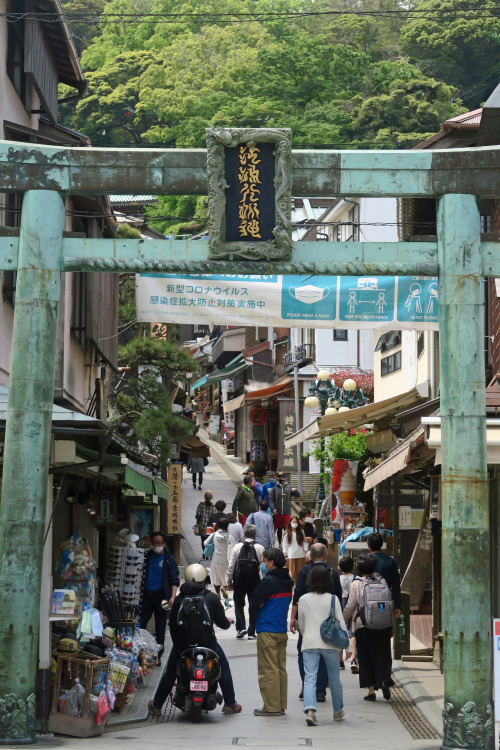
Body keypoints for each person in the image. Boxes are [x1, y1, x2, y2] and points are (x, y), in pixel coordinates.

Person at [148, 563, 242, 716]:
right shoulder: (211, 598)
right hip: (208, 644)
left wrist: (178, 643)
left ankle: (157, 705)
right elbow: (222, 624)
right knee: (223, 666)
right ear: (204, 579)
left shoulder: (179, 599)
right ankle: (230, 703)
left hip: (183, 645)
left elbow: (172, 626)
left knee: (171, 670)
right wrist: (227, 622)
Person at [290, 543, 342, 701]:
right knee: (326, 654)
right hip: (327, 620)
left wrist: (293, 617)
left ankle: (307, 686)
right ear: (326, 555)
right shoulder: (333, 572)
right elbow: (338, 597)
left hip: (308, 618)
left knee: (304, 652)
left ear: (310, 556)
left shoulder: (305, 570)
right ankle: (320, 690)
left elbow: (297, 595)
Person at [298, 566, 347, 726]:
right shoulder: (333, 599)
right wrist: (348, 648)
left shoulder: (304, 599)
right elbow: (341, 624)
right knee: (334, 678)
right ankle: (338, 711)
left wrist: (307, 634)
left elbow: (301, 624)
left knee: (310, 678)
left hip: (310, 642)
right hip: (330, 644)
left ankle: (311, 711)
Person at [343, 553, 395, 701]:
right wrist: (391, 626)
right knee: (383, 655)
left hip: (363, 625)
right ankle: (384, 678)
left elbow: (351, 606)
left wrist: (343, 620)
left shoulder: (357, 583)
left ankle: (371, 691)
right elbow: (389, 604)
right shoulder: (382, 581)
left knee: (366, 658)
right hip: (383, 625)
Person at [249, 548, 293, 716]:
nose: (263, 563)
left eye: (265, 560)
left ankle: (271, 707)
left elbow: (254, 602)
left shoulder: (269, 581)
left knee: (268, 669)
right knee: (280, 668)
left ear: (271, 562)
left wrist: (258, 608)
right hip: (281, 629)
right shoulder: (288, 580)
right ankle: (280, 704)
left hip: (267, 629)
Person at [139, 531, 180, 665]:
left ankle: (157, 655)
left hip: (162, 597)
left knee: (160, 627)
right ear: (151, 543)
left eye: (159, 543)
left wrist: (172, 597)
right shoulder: (147, 556)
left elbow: (174, 580)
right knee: (141, 625)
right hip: (146, 595)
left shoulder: (169, 559)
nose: (157, 545)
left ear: (164, 543)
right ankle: (141, 653)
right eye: (154, 542)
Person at [227, 524, 265, 640]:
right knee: (253, 604)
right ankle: (252, 632)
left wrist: (229, 579)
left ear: (243, 535)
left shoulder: (237, 547)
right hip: (254, 579)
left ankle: (241, 628)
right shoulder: (260, 548)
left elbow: (232, 564)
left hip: (240, 578)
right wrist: (263, 581)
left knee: (239, 604)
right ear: (255, 535)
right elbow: (263, 567)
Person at [366, 532, 402, 618]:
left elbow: (358, 583)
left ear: (368, 545)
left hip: (368, 600)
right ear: (382, 544)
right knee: (385, 625)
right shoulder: (390, 561)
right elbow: (396, 585)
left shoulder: (364, 560)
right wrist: (398, 605)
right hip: (386, 600)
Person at [268, 472, 301, 547]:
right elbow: (271, 499)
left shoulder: (289, 488)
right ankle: (280, 543)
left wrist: (295, 490)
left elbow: (298, 495)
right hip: (278, 512)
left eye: (283, 477)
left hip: (286, 512)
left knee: (287, 529)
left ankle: (287, 543)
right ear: (278, 478)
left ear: (285, 478)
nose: (281, 478)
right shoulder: (275, 489)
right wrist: (273, 509)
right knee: (279, 529)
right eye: (280, 477)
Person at [205, 517, 231, 599]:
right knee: (225, 575)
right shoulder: (229, 536)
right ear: (227, 526)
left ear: (218, 525)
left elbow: (205, 543)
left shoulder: (214, 535)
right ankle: (224, 587)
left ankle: (217, 592)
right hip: (225, 559)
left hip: (216, 558)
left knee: (216, 576)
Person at [338, 556, 356, 672]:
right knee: (352, 631)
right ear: (353, 566)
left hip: (340, 604)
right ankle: (354, 659)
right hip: (352, 604)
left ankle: (340, 660)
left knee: (340, 630)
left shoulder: (338, 578)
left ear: (340, 568)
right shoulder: (355, 578)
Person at [282, 515, 306, 584]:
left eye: (296, 522)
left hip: (300, 555)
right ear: (290, 522)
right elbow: (285, 545)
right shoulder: (287, 533)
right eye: (293, 522)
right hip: (291, 556)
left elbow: (305, 543)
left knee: (300, 574)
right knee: (291, 574)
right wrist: (285, 555)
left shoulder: (301, 532)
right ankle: (292, 589)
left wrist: (305, 553)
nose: (294, 524)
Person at [195, 490, 214, 558]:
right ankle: (209, 554)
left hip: (202, 526)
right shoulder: (213, 507)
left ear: (204, 497)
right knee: (210, 541)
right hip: (210, 527)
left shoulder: (200, 505)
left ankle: (204, 553)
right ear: (211, 497)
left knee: (203, 540)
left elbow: (197, 515)